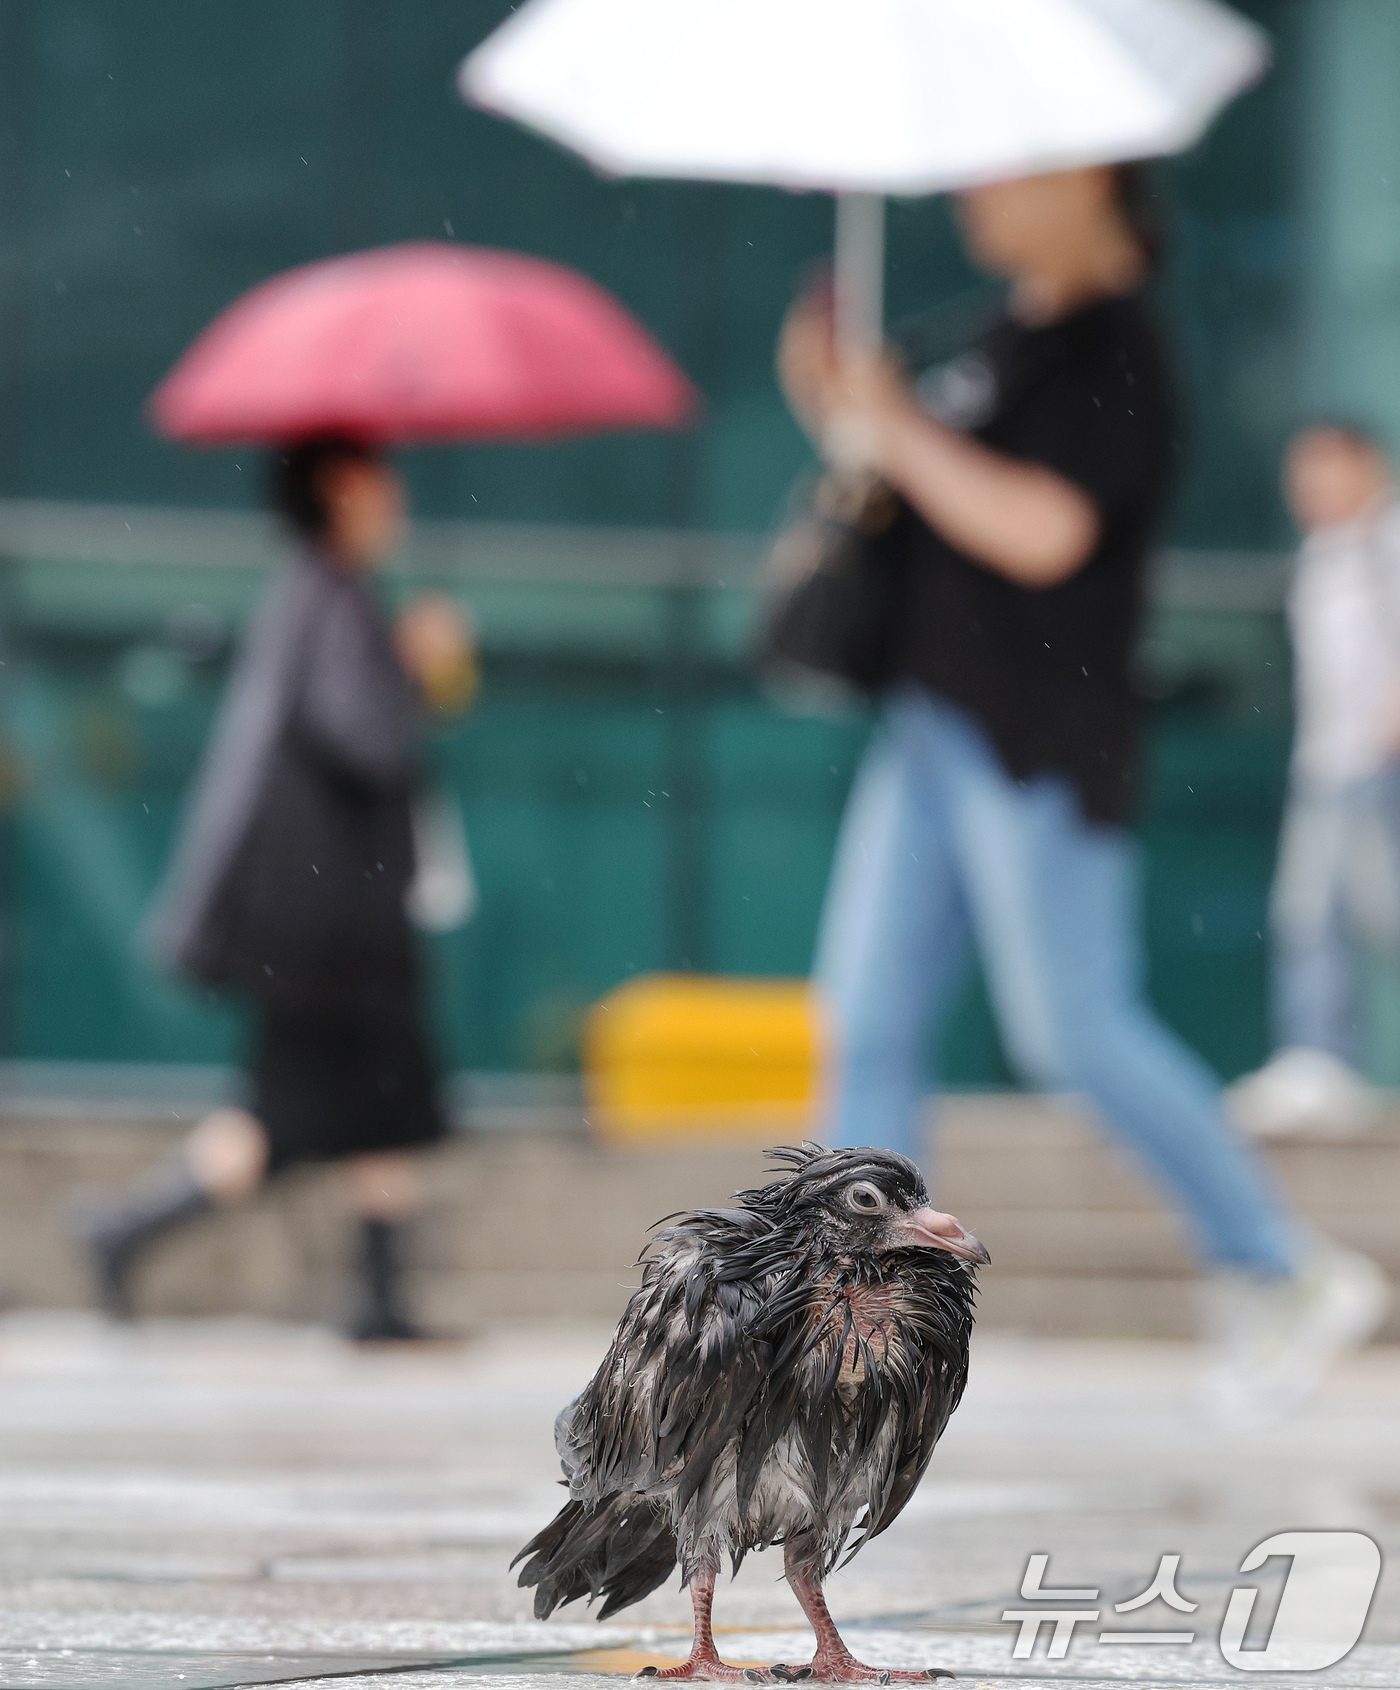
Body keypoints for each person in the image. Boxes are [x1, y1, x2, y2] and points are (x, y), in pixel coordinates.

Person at [777, 166, 1388, 1424]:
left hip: (1035, 736)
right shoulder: (993, 339)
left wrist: (897, 425)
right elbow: (916, 494)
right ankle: (858, 1329)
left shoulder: (1120, 350)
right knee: (869, 1020)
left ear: (1096, 178)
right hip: (934, 723)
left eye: (1014, 168)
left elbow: (1042, 531)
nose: (974, 193)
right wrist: (843, 399)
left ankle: (1280, 1266)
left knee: (1073, 1027)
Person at [76, 435, 476, 1341]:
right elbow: (363, 734)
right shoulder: (331, 598)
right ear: (341, 488)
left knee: (378, 1096)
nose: (398, 491)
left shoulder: (318, 593)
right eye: (382, 473)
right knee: (305, 1107)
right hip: (332, 921)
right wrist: (417, 664)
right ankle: (124, 1228)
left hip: (329, 917)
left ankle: (376, 1297)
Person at [1231, 424, 1400, 1138]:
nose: (1309, 491)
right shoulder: (1323, 553)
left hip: (1373, 762)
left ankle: (1320, 1057)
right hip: (1328, 765)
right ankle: (1316, 1059)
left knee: (1357, 909)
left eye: (1325, 471)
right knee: (1315, 910)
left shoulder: (1387, 540)